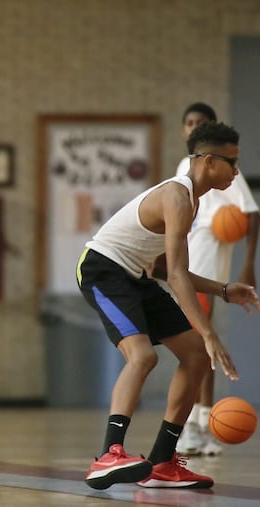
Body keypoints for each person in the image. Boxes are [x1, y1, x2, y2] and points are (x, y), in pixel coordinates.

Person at [76, 121, 260, 490]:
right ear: (208, 161)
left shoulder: (191, 201)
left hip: (137, 275)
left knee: (193, 356)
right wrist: (209, 333)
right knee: (143, 356)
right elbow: (175, 276)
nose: (237, 171)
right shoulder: (176, 196)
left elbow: (165, 268)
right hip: (102, 270)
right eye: (231, 162)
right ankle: (108, 454)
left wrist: (224, 290)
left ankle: (162, 462)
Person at [172, 103, 259, 457]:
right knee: (198, 347)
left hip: (208, 265)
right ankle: (195, 424)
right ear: (183, 130)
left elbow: (250, 215)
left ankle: (196, 425)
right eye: (189, 122)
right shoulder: (183, 170)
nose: (194, 127)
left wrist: (248, 264)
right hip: (190, 265)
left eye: (200, 122)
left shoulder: (223, 170)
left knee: (199, 347)